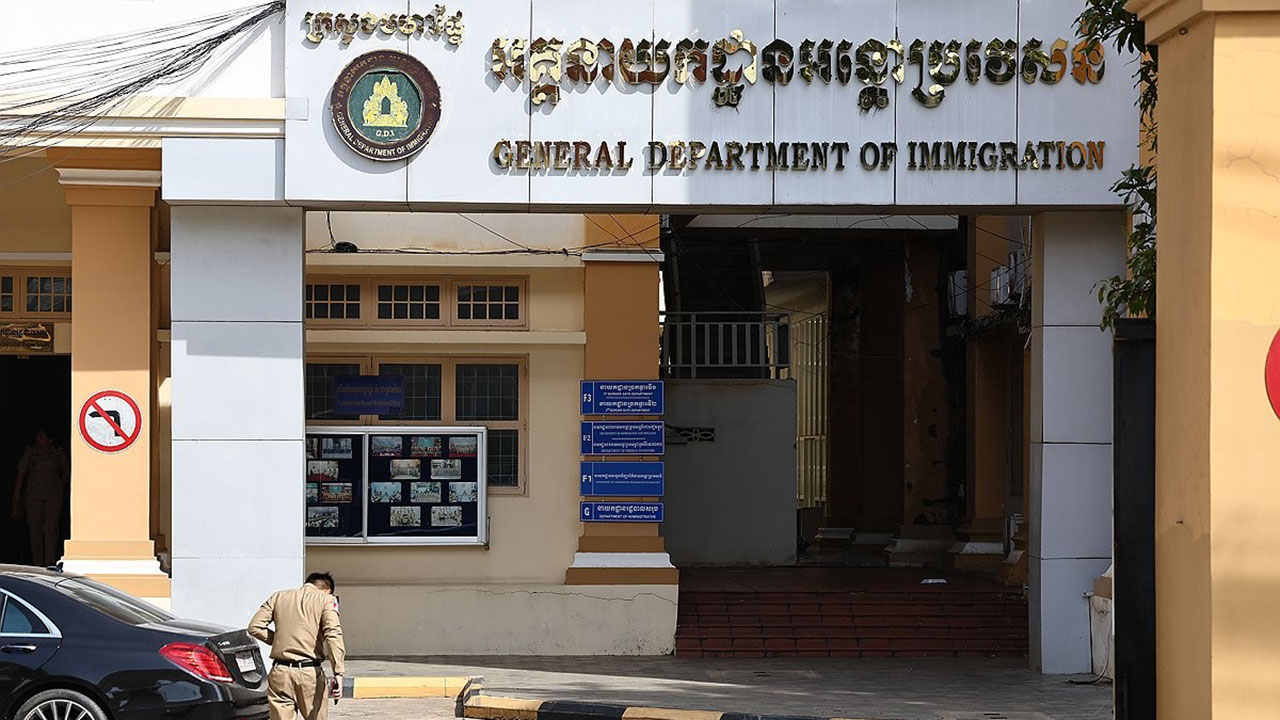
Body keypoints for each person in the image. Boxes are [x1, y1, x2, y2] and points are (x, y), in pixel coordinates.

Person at [248, 573, 346, 720]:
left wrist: (281, 641)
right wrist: (338, 672)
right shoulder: (327, 600)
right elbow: (333, 634)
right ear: (327, 590)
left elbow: (254, 626)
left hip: (280, 672)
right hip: (309, 673)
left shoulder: (278, 597)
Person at [11, 427, 68, 568]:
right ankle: (37, 564)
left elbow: (66, 471)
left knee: (50, 530)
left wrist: (60, 487)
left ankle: (49, 562)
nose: (39, 440)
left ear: (50, 440)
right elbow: (21, 473)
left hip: (52, 496)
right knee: (34, 531)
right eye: (38, 437)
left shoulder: (57, 453)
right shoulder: (30, 452)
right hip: (34, 496)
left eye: (42, 437)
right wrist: (16, 493)